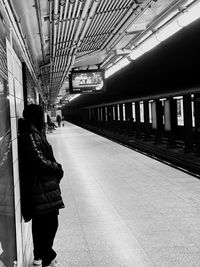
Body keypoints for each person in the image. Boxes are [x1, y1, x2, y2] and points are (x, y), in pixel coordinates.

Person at [18, 104, 65, 267]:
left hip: (42, 187)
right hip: (40, 187)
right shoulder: (30, 134)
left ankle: (39, 255)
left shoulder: (32, 133)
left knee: (42, 225)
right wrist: (56, 168)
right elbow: (37, 160)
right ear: (35, 117)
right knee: (50, 224)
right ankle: (48, 256)